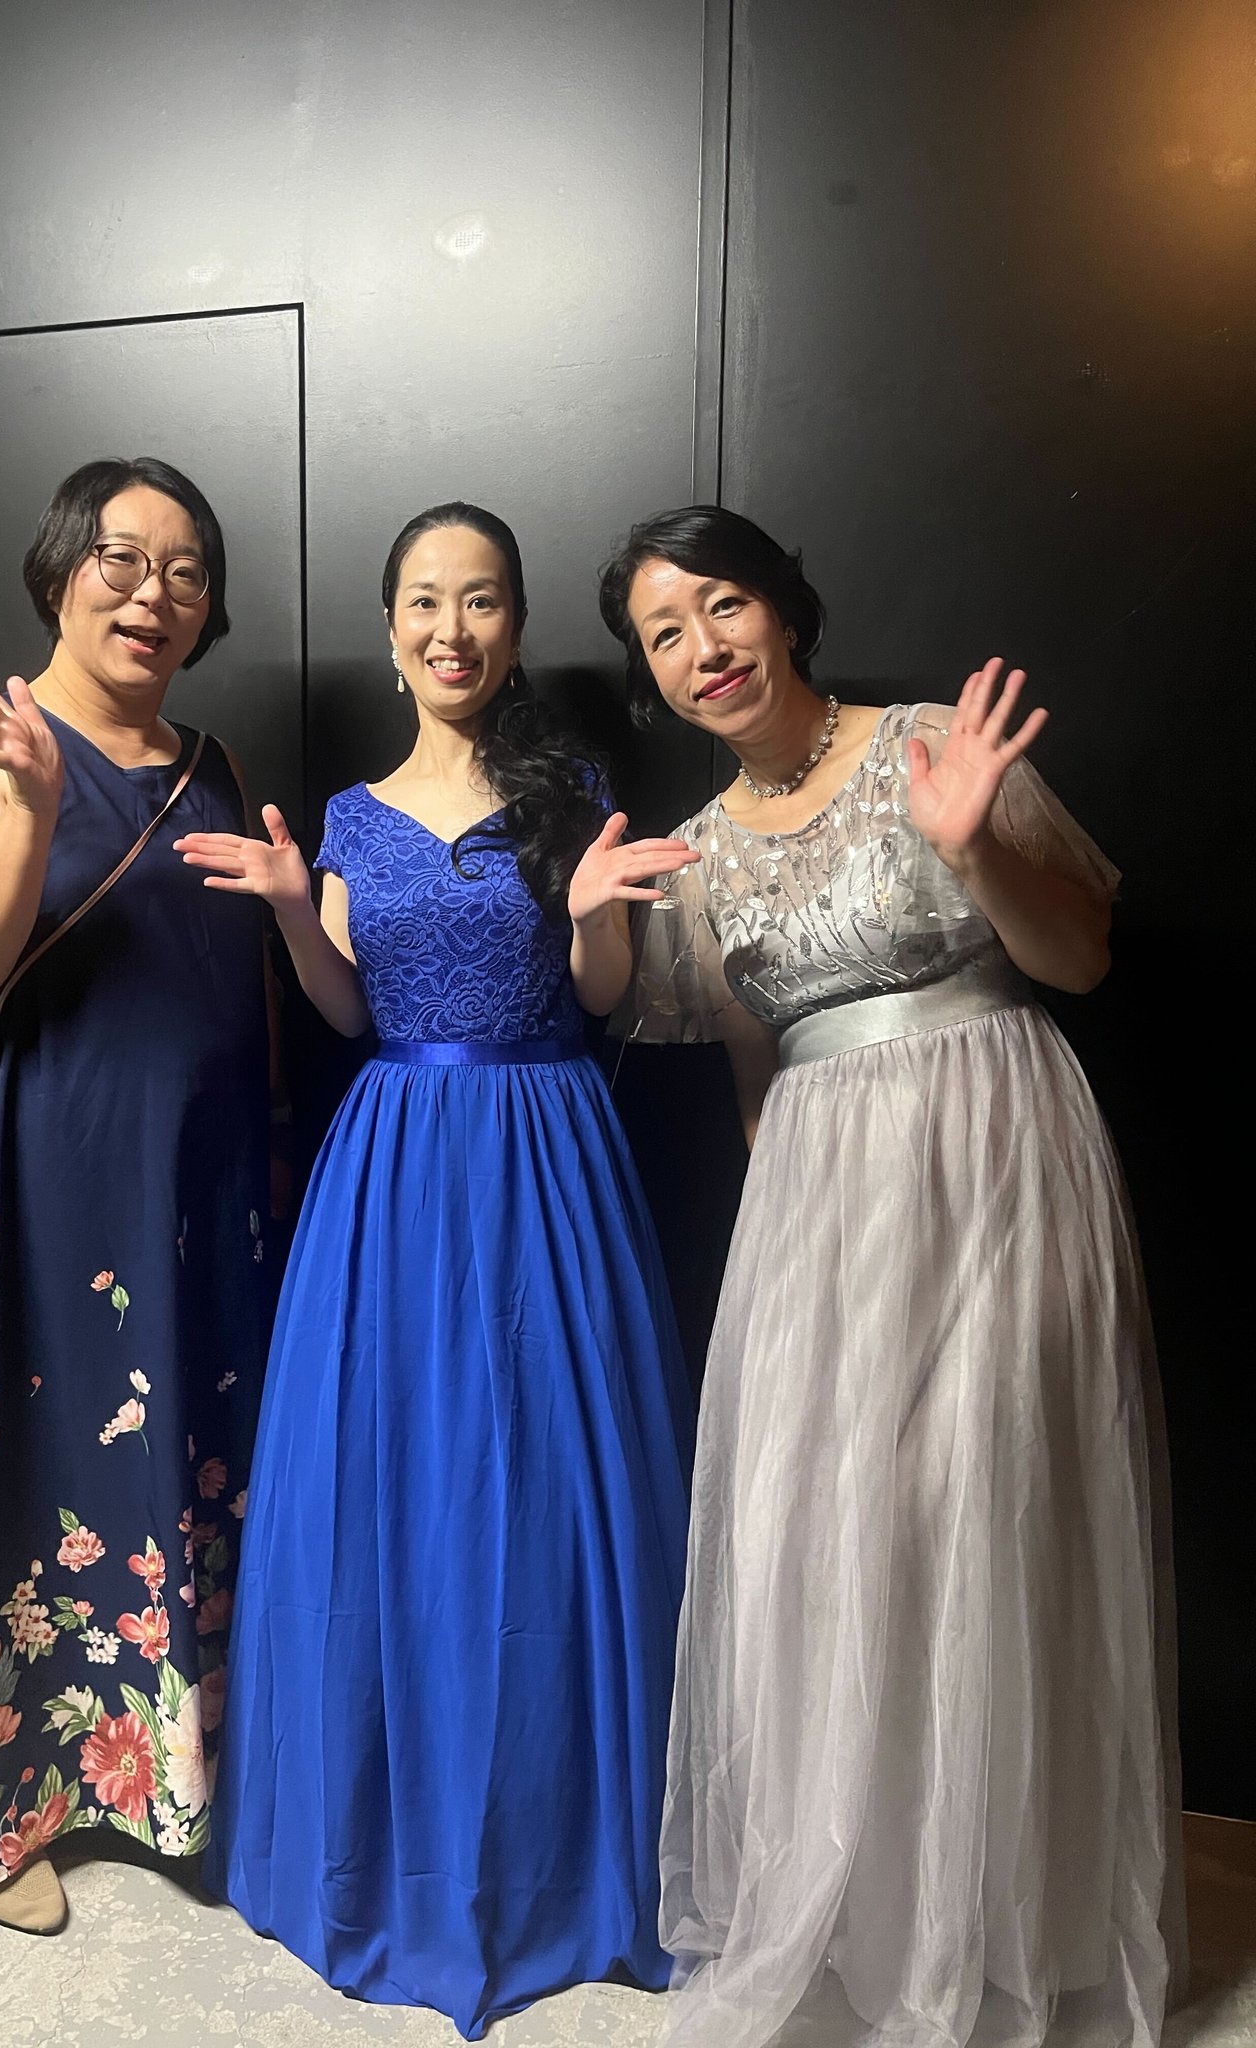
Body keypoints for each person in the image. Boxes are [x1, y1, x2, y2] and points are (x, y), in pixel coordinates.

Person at [598, 505, 1185, 2048]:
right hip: (819, 1201)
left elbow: (1080, 960)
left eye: (722, 605)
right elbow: (755, 1068)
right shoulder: (699, 855)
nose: (703, 648)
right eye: (665, 634)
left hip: (999, 1156)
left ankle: (1011, 1915)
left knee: (994, 1510)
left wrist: (975, 841)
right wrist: (795, 1252)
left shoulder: (934, 741)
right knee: (841, 1536)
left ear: (783, 609)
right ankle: (874, 1899)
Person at [183, 502, 696, 2038]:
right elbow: (347, 1015)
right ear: (392, 627)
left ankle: (559, 1845)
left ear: (515, 629)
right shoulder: (346, 817)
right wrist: (294, 917)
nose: (451, 628)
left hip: (546, 1149)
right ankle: (382, 1833)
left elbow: (601, 997)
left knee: (550, 1481)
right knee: (391, 1477)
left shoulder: (570, 795)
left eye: (480, 601)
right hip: (395, 1157)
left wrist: (593, 921)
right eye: (424, 600)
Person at [0, 457, 273, 1934]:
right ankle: (3, 1808)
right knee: (47, 1465)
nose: (152, 594)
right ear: (61, 570)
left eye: (186, 571)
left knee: (200, 1461)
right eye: (123, 559)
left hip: (213, 1177)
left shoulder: (212, 756)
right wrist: (30, 804)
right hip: (67, 1173)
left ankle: (179, 1782)